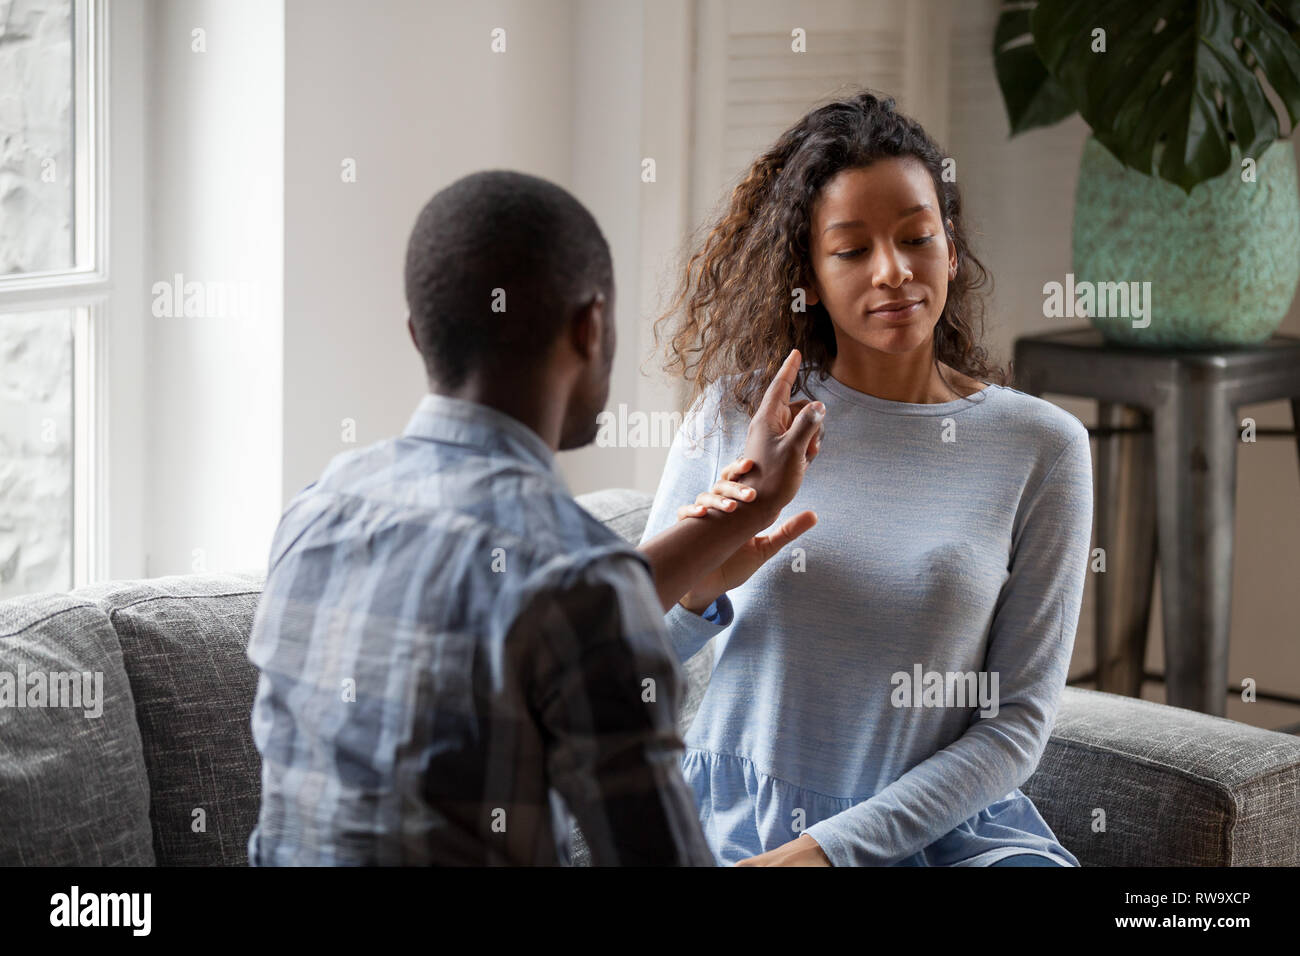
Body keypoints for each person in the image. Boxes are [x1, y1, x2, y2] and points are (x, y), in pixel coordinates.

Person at [244, 169, 826, 865]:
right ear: (591, 326)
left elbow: (535, 632)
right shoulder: (577, 577)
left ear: (417, 334)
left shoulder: (316, 510)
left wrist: (741, 514)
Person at [644, 90, 1094, 866]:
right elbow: (626, 651)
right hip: (742, 828)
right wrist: (700, 586)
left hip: (948, 837)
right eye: (852, 250)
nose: (894, 272)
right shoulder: (736, 414)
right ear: (809, 277)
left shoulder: (1043, 447)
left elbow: (1016, 725)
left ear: (951, 250)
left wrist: (824, 854)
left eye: (917, 237)